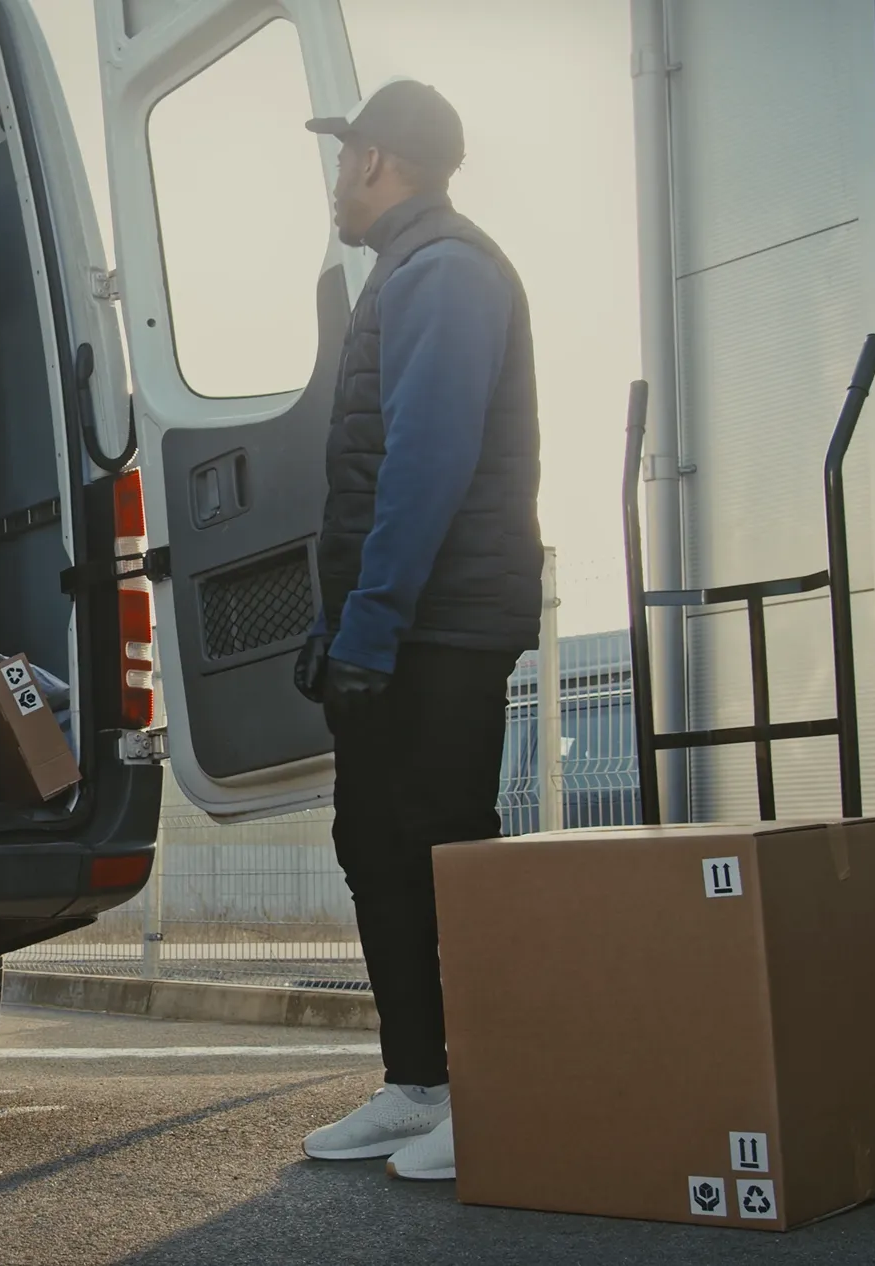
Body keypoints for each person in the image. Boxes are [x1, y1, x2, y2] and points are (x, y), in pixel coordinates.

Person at [291, 80, 542, 1183]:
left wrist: (373, 628)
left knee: (442, 850)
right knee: (376, 846)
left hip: (444, 629)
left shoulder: (446, 272)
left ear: (375, 161)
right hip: (403, 624)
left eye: (342, 159)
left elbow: (426, 466)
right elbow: (369, 480)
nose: (335, 182)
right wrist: (340, 623)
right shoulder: (405, 272)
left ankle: (487, 1097)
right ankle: (418, 1087)